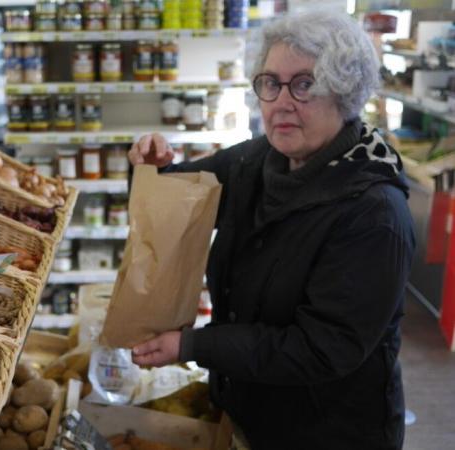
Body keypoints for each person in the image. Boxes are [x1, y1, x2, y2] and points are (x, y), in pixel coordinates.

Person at [128, 10, 415, 450]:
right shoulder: (256, 161)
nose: (281, 101)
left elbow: (322, 347)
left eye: (304, 84)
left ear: (343, 91)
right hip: (250, 414)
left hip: (329, 432)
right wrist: (154, 168)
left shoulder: (373, 213)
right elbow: (179, 200)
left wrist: (194, 345)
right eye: (270, 83)